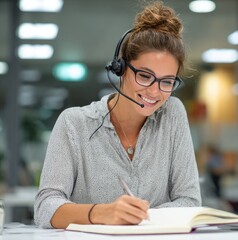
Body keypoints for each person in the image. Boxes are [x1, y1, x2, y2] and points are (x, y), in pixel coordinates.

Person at [34, 1, 201, 229]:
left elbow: (190, 201)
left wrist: (137, 217)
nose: (154, 91)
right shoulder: (74, 123)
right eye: (144, 76)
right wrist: (103, 213)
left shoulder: (172, 113)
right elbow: (45, 207)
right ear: (120, 69)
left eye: (167, 82)